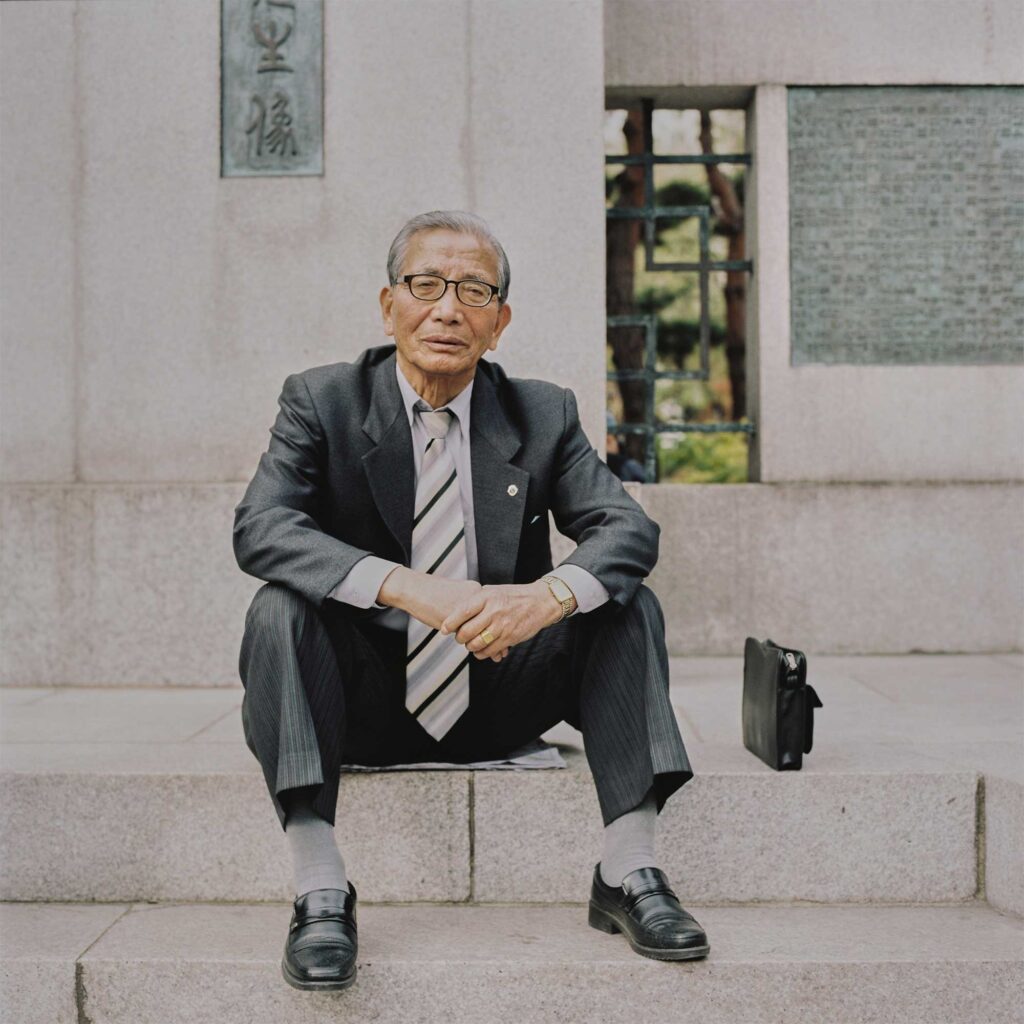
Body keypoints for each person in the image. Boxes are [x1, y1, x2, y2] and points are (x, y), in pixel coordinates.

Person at [233, 210, 708, 992]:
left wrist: (545, 597)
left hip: (500, 687)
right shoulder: (322, 401)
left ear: (500, 321)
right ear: (390, 306)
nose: (447, 308)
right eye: (426, 285)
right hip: (360, 700)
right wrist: (409, 588)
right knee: (278, 610)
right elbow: (262, 527)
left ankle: (630, 870)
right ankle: (320, 885)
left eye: (474, 290)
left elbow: (626, 529)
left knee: (624, 602)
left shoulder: (543, 413)